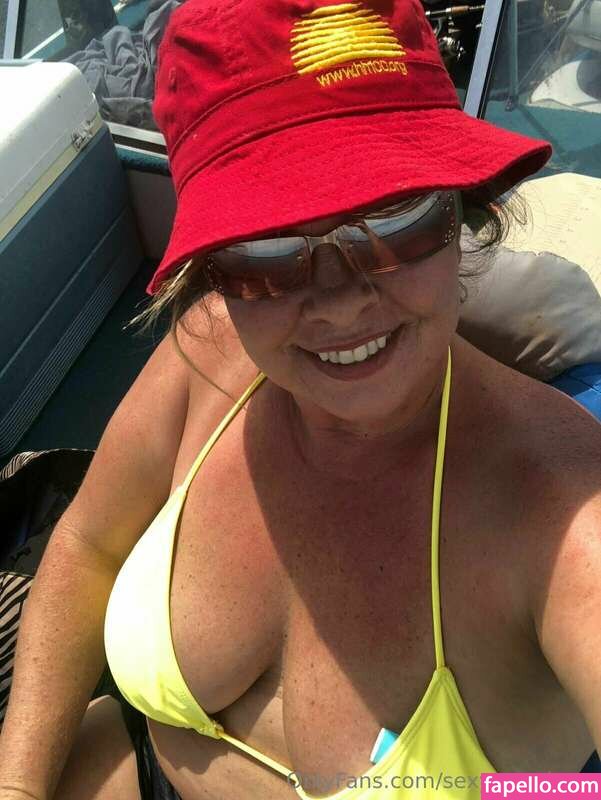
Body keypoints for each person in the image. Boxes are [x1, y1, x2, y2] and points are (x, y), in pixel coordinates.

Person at [1, 0, 600, 798]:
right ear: (211, 269)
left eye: (394, 216)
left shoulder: (565, 516)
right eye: (266, 246)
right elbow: (89, 546)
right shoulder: (210, 348)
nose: (341, 303)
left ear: (459, 211)